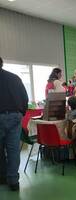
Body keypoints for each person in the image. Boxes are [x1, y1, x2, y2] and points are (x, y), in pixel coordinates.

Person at [0, 57, 29, 191]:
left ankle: (2, 177)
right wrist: (21, 113)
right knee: (13, 150)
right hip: (14, 117)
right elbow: (25, 97)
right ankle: (13, 181)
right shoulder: (15, 78)